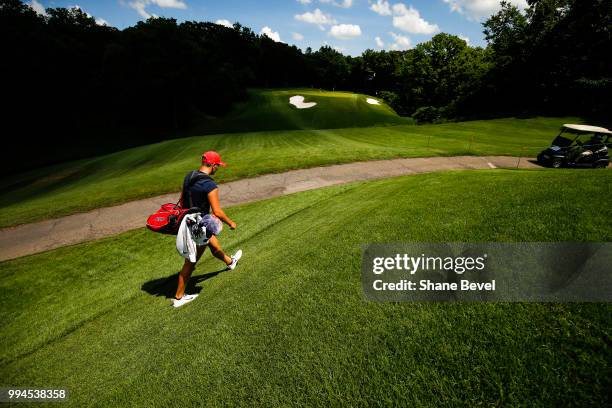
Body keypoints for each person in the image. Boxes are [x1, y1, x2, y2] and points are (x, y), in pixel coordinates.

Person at [173, 150, 242, 308]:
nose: (218, 168)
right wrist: (231, 223)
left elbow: (182, 199)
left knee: (213, 244)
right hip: (199, 225)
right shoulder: (210, 185)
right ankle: (178, 298)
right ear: (212, 165)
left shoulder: (189, 176)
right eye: (217, 165)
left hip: (187, 220)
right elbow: (217, 212)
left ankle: (230, 262)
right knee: (191, 261)